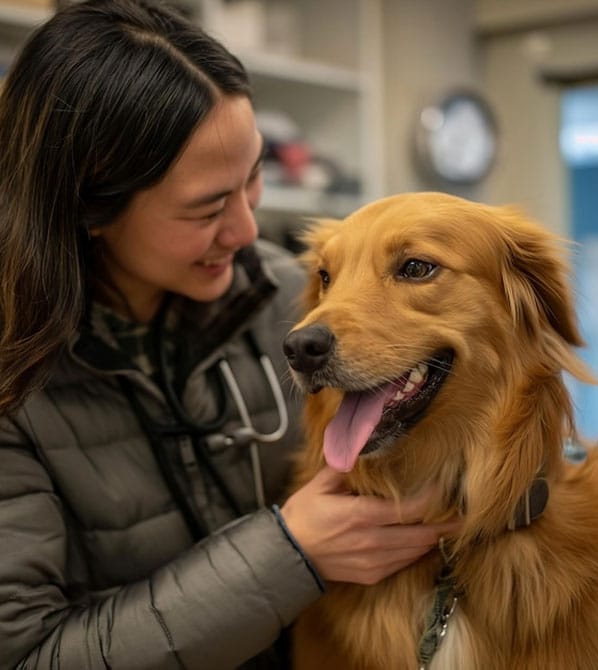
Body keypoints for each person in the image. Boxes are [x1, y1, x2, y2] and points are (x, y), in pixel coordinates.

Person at [0, 1, 459, 668]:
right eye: (209, 207)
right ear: (87, 209)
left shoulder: (285, 295)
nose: (247, 231)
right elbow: (25, 656)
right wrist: (289, 553)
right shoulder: (15, 382)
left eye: (252, 178)